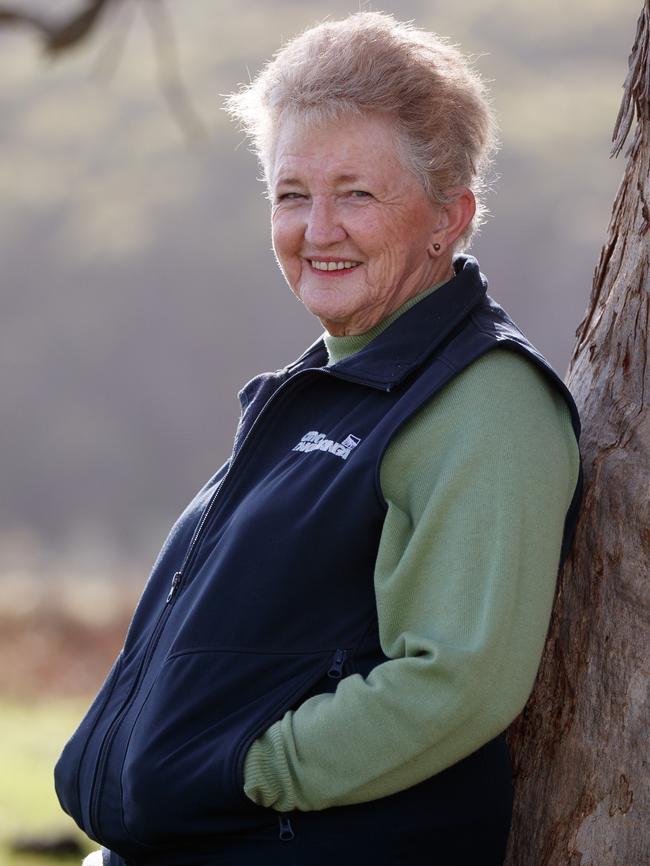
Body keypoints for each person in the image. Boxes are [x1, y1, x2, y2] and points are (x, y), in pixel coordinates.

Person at [55, 12, 582, 866]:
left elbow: (456, 682)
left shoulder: (485, 403)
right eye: (293, 194)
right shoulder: (328, 391)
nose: (318, 229)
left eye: (358, 193)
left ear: (450, 216)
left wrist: (247, 770)